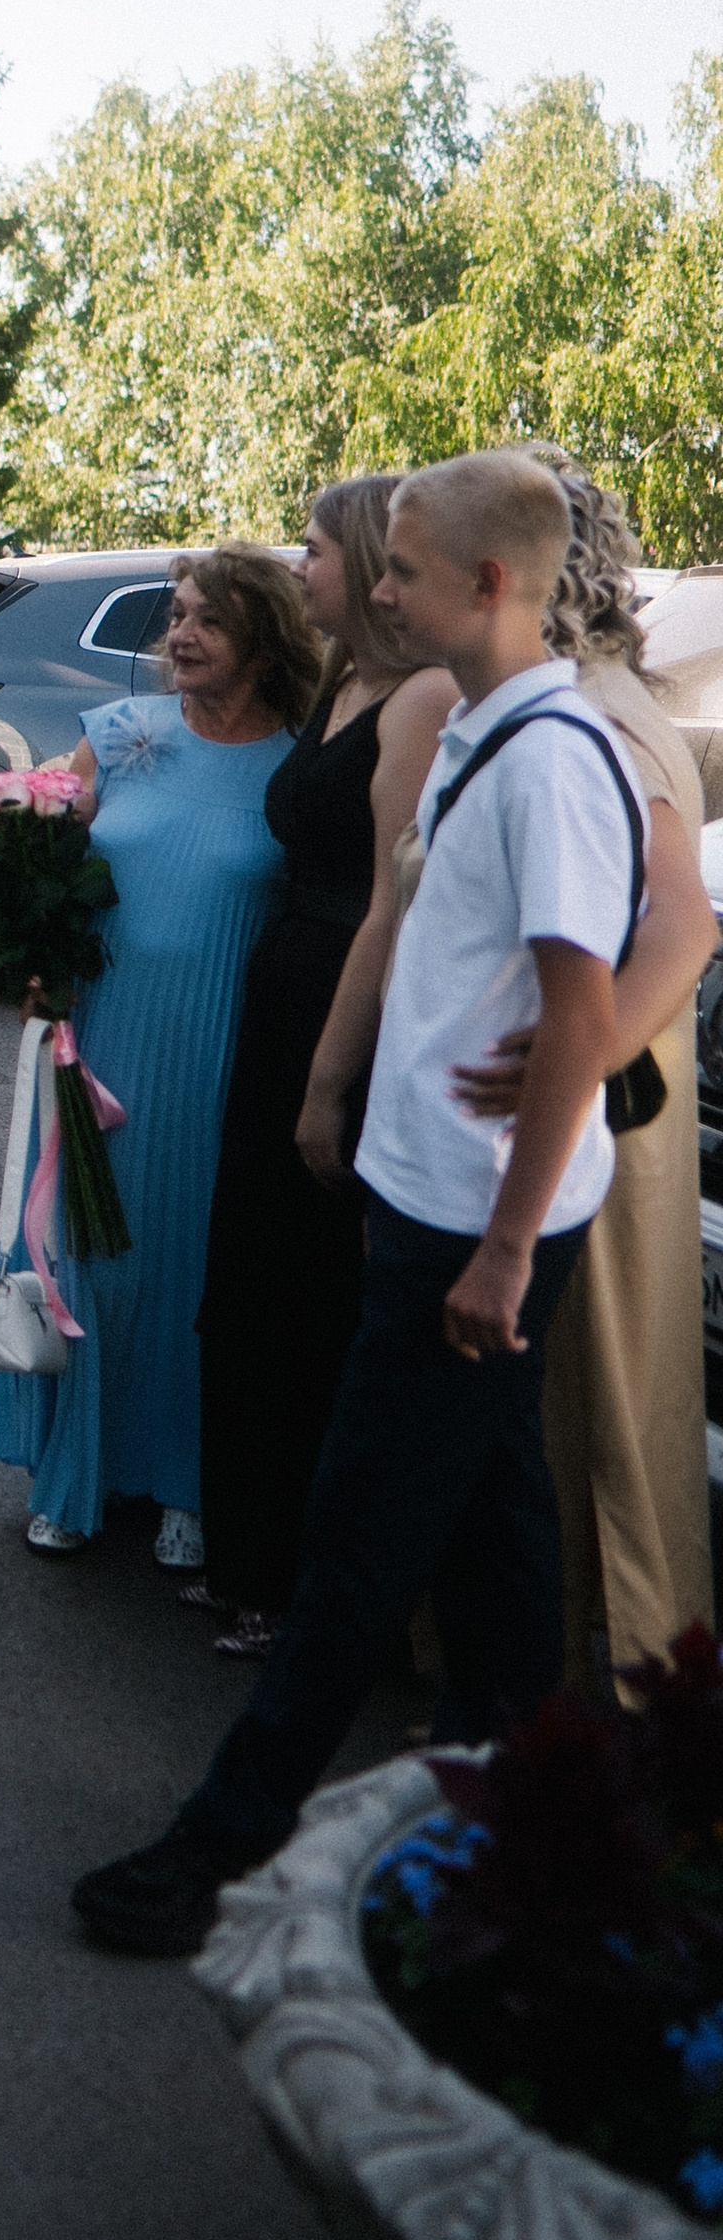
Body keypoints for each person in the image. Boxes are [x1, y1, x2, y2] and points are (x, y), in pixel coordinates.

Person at [73, 450, 654, 1958]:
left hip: (476, 1226)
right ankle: (533, 1835)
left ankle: (216, 1849)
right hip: (424, 1199)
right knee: (497, 1545)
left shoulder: (550, 759)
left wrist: (506, 1250)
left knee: (352, 1544)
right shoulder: (474, 730)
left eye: (399, 567)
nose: (374, 588)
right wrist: (335, 1095)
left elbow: (589, 1008)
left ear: (487, 582)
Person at [0, 545, 317, 1562]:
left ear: (262, 641)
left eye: (209, 619)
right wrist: (33, 953)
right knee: (93, 1253)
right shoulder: (120, 733)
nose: (182, 635)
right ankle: (73, 1475)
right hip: (104, 1029)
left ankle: (184, 1480)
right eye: (177, 615)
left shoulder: (296, 766)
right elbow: (42, 855)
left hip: (221, 1044)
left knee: (194, 1256)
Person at [462, 450, 716, 1687]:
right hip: (582, 1097)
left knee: (598, 1388)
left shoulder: (599, 716)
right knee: (566, 1394)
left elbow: (682, 925)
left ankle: (617, 1691)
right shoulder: (574, 698)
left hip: (597, 1109)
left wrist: (577, 1060)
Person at [191, 479, 455, 1656]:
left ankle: (300, 1586)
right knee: (251, 1282)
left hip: (341, 1007)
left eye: (312, 550)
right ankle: (245, 1554)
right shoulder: (340, 683)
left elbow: (393, 905)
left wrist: (327, 1082)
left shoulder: (421, 698)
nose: (298, 569)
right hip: (282, 989)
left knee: (310, 1298)